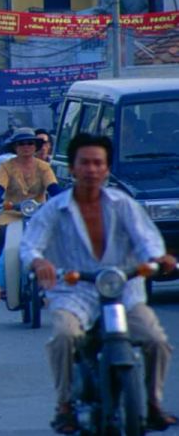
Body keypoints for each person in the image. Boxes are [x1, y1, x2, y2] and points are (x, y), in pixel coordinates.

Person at [20, 133, 177, 434]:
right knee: (64, 337)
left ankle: (154, 404)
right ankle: (64, 404)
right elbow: (30, 246)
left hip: (123, 291)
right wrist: (39, 262)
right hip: (74, 292)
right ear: (73, 168)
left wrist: (160, 258)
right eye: (85, 163)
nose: (91, 169)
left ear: (106, 169)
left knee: (157, 341)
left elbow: (148, 242)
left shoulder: (123, 205)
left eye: (98, 163)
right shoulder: (55, 209)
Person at [0, 127, 62, 269]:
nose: (26, 147)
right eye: (21, 143)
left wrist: (66, 199)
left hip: (39, 214)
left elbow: (53, 188)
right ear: (15, 147)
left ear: (36, 146)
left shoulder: (44, 167)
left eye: (30, 143)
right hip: (11, 214)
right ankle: (0, 279)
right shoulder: (6, 167)